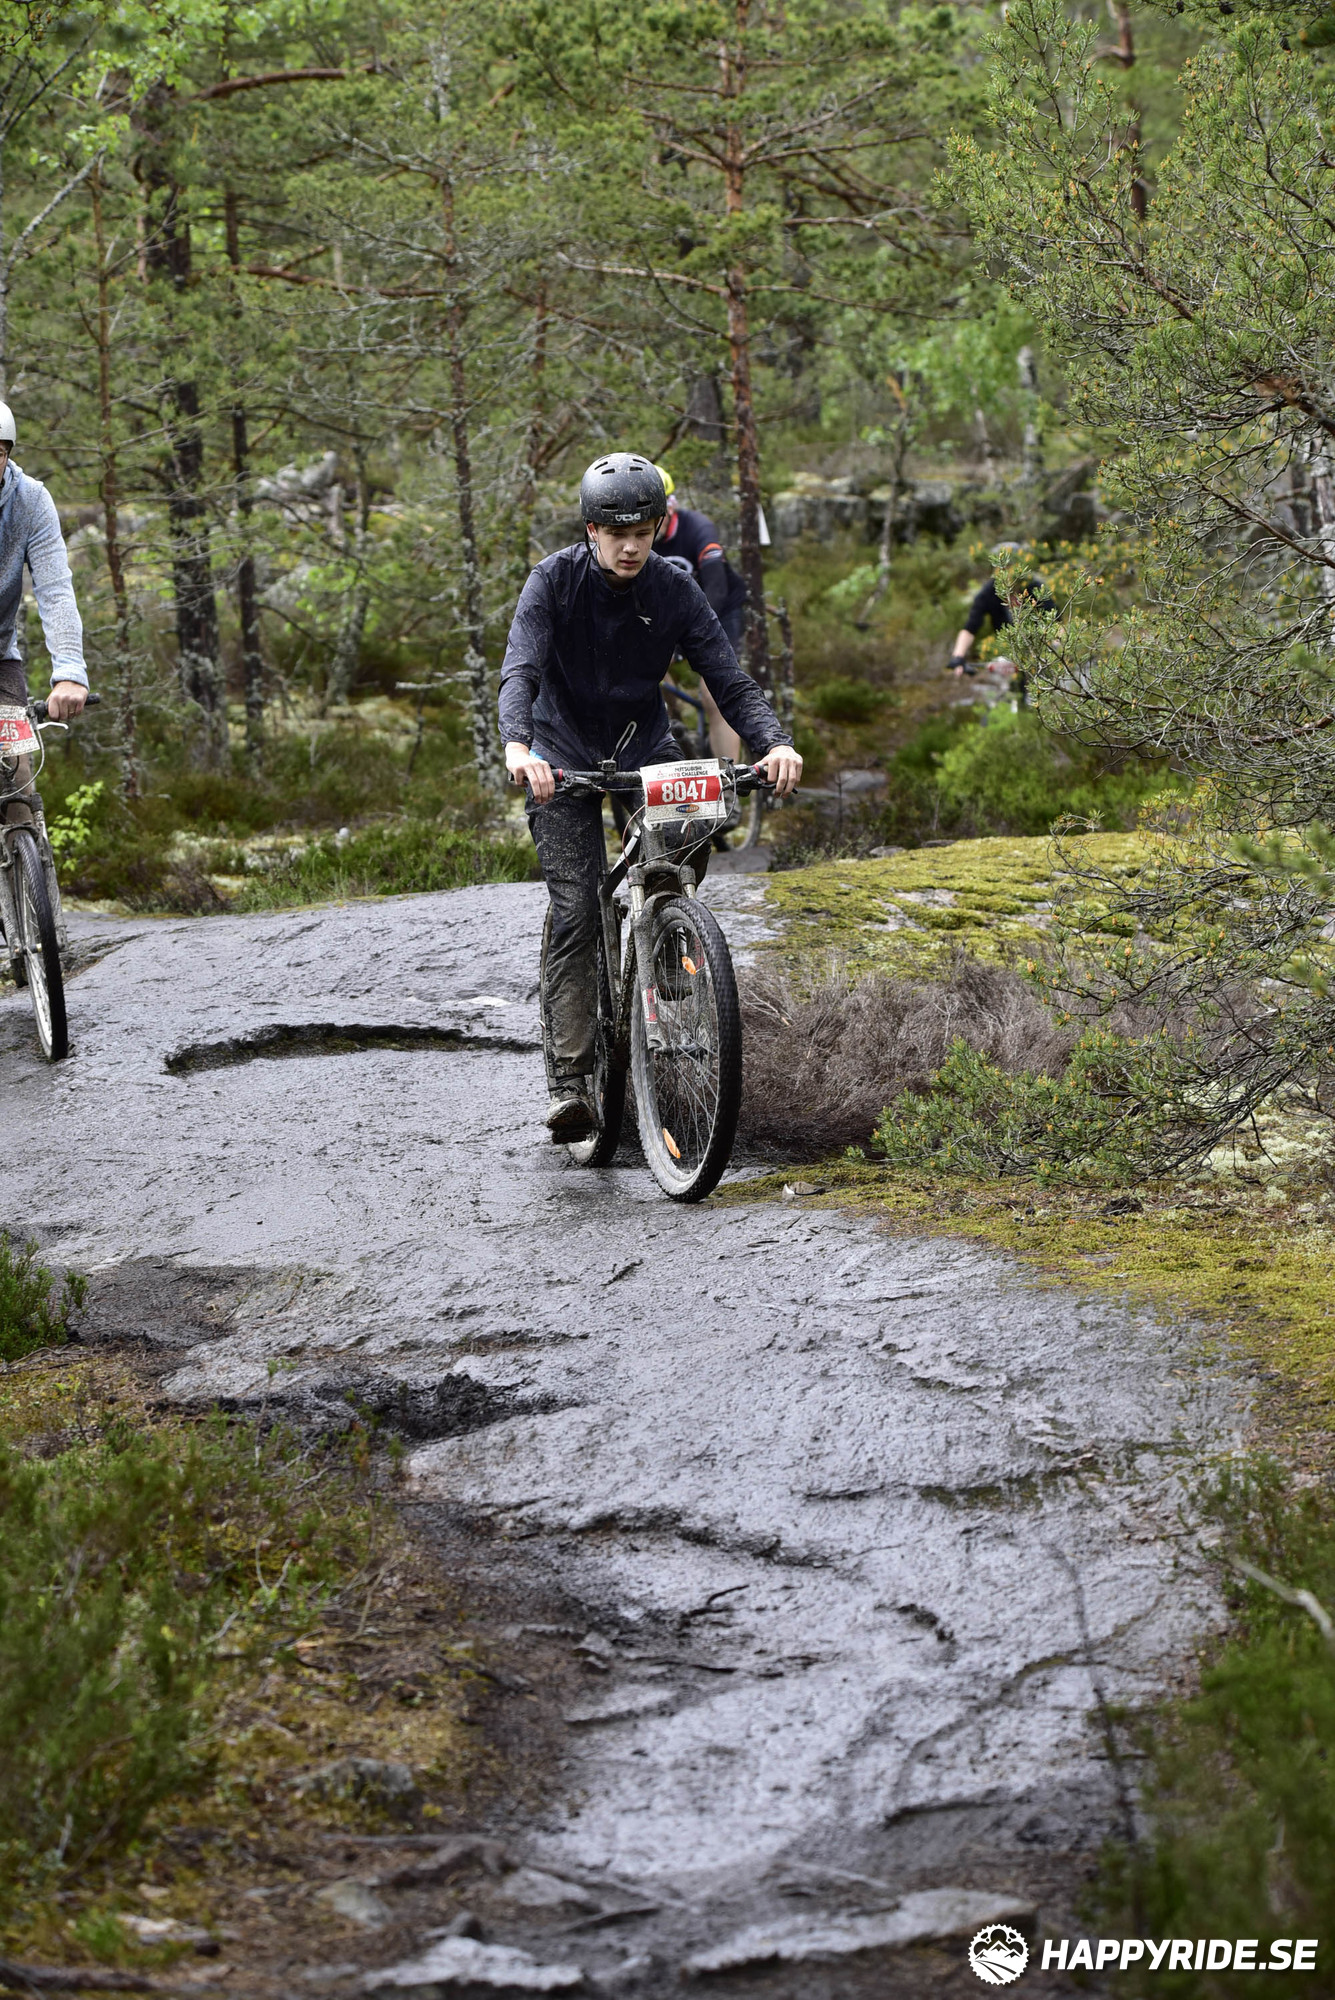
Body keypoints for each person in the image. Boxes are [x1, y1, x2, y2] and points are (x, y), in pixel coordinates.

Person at [500, 450, 801, 1137]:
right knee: (577, 910)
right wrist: (519, 747)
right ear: (592, 531)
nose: (630, 546)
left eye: (643, 531)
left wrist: (773, 742)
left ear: (660, 527)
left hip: (643, 748)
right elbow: (520, 670)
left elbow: (727, 677)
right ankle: (572, 1083)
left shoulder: (673, 586)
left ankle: (665, 938)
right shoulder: (552, 581)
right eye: (616, 534)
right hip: (559, 754)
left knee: (682, 846)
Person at [652, 464, 749, 760]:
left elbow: (717, 589)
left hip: (720, 609)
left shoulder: (698, 528)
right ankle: (674, 724)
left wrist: (682, 641)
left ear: (671, 506)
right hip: (672, 615)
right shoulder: (635, 541)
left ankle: (728, 774)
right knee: (645, 674)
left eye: (657, 514)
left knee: (716, 693)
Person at [947, 542, 1052, 703]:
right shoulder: (989, 593)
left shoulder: (1035, 588)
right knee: (1007, 696)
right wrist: (958, 656)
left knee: (1041, 698)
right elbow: (970, 628)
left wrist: (1053, 649)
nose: (1005, 571)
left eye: (1010, 565)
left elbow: (1056, 624)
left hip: (1041, 653)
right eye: (1000, 566)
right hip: (1009, 655)